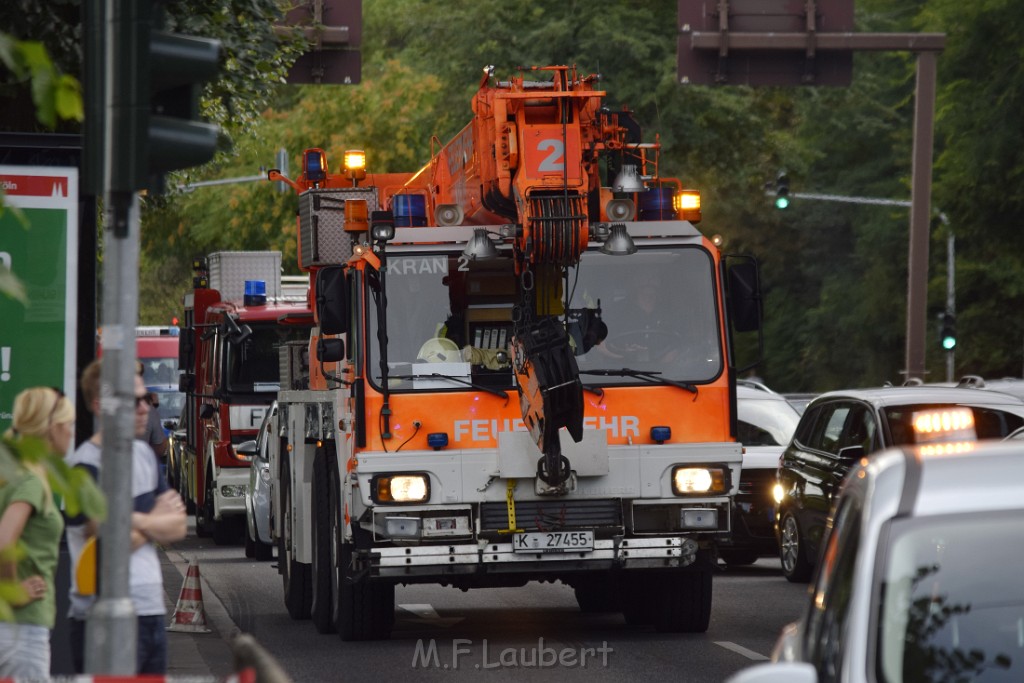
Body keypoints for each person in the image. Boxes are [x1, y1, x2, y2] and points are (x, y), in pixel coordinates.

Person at [65, 360, 187, 675]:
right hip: (101, 616)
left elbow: (177, 525)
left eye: (145, 399)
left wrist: (130, 520)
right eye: (133, 401)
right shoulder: (85, 468)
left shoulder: (144, 456)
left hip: (150, 611)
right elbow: (108, 545)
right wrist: (153, 518)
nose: (145, 408)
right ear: (100, 405)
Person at [0, 387, 75, 679]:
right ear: (52, 430)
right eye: (68, 425)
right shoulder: (31, 480)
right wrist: (14, 592)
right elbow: (5, 540)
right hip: (23, 627)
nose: (71, 432)